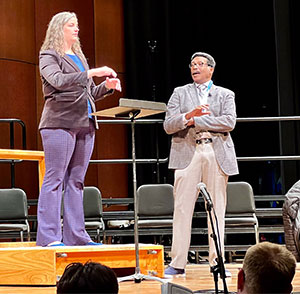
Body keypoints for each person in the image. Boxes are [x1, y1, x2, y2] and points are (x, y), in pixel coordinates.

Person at [36, 11, 121, 247]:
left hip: (86, 122)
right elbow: (58, 81)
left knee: (76, 181)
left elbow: (89, 92)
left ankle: (76, 236)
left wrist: (106, 86)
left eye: (77, 25)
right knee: (55, 179)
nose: (76, 29)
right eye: (71, 25)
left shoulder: (79, 57)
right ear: (58, 28)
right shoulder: (48, 55)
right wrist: (92, 72)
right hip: (59, 123)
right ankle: (49, 237)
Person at [163, 52, 238, 277]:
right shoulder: (180, 92)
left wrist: (197, 120)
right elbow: (168, 124)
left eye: (200, 64)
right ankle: (177, 262)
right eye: (192, 64)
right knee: (182, 209)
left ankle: (217, 262)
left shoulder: (225, 94)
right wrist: (187, 116)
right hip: (188, 152)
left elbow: (229, 122)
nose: (195, 67)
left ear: (211, 69)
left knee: (216, 209)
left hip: (215, 152)